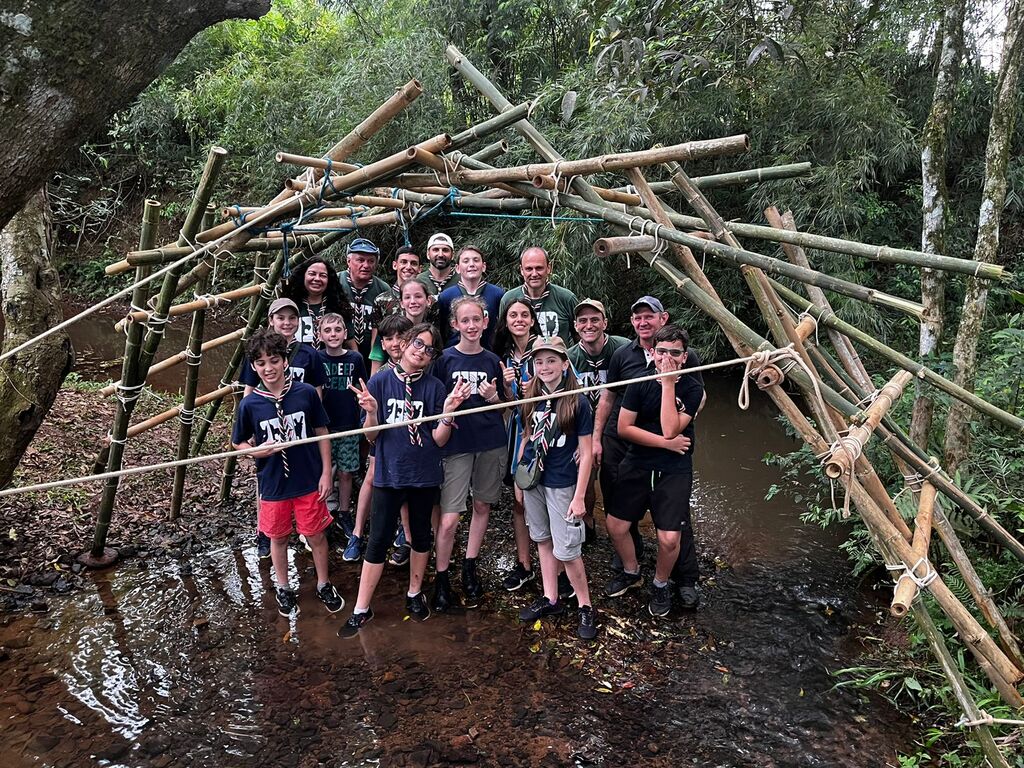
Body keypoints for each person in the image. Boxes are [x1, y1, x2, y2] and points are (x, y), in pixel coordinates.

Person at [340, 324, 471, 636]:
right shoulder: (380, 381)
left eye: (428, 349)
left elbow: (439, 440)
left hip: (424, 475)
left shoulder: (436, 388)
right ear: (404, 343)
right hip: (390, 473)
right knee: (379, 539)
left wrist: (449, 411)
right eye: (417, 343)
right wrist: (371, 413)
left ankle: (414, 592)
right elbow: (371, 437)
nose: (420, 351)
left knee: (421, 536)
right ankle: (361, 607)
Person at [592, 295, 704, 607]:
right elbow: (624, 424)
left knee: (672, 534)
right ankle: (631, 571)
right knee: (616, 523)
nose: (668, 357)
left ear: (684, 357)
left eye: (675, 353)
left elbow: (672, 427)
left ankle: (665, 582)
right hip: (637, 457)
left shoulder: (692, 383)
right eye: (662, 352)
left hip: (674, 466)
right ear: (653, 352)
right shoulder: (634, 372)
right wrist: (663, 442)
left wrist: (668, 385)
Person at [231, 328, 344, 617]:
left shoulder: (305, 393)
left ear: (284, 360)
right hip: (273, 484)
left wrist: (325, 474)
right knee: (277, 538)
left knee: (316, 534)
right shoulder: (250, 403)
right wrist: (257, 451)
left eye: (273, 360)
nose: (268, 368)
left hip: (308, 479)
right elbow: (238, 442)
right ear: (254, 367)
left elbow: (321, 432)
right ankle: (283, 587)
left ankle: (323, 583)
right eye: (261, 363)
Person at [515, 336, 597, 641]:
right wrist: (518, 479)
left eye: (551, 361)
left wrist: (579, 496)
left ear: (565, 363)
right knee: (542, 539)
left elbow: (587, 452)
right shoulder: (531, 398)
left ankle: (585, 605)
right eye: (539, 362)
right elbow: (525, 438)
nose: (545, 367)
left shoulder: (578, 401)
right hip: (534, 480)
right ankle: (551, 598)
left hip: (562, 483)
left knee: (567, 549)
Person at [431, 296, 508, 611]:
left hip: (490, 440)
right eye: (465, 321)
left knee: (482, 505)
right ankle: (441, 576)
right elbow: (437, 405)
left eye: (477, 319)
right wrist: (452, 402)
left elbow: (506, 404)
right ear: (455, 325)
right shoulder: (445, 360)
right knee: (449, 519)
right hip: (457, 444)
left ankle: (469, 565)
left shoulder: (492, 359)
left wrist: (494, 397)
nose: (472, 326)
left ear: (485, 321)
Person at [344, 314, 412, 562]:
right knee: (372, 476)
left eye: (401, 337)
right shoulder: (379, 376)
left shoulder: (421, 368)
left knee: (406, 482)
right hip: (383, 438)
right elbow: (369, 422)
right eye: (389, 339)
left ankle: (405, 530)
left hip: (410, 441)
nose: (396, 343)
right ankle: (358, 532)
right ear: (382, 344)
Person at [567, 299, 629, 541]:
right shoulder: (569, 358)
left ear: (605, 322)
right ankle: (588, 521)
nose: (589, 325)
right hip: (583, 426)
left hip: (617, 425)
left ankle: (624, 528)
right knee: (584, 472)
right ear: (575, 325)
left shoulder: (622, 349)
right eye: (583, 320)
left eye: (595, 319)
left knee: (620, 478)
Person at [493, 299, 539, 591]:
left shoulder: (546, 351)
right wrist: (508, 387)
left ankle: (557, 566)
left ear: (532, 320)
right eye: (513, 315)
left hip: (542, 433)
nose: (519, 319)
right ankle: (525, 564)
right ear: (506, 321)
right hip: (516, 432)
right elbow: (508, 406)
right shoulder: (503, 358)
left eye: (525, 314)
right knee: (519, 502)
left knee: (544, 501)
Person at [317, 313, 367, 541]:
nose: (333, 334)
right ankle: (324, 512)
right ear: (320, 335)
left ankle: (345, 512)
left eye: (337, 330)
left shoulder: (355, 359)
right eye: (328, 331)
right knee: (325, 470)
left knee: (347, 471)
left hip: (349, 422)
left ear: (345, 333)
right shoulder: (317, 359)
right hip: (325, 425)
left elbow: (362, 388)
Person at [239, 298, 326, 399]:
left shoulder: (310, 354)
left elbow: (317, 390)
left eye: (292, 318)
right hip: (267, 411)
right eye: (281, 318)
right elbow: (250, 388)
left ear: (298, 320)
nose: (287, 323)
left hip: (300, 410)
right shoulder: (258, 350)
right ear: (271, 320)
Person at [498, 247, 578, 340]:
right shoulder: (508, 299)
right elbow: (502, 338)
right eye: (529, 269)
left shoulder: (566, 298)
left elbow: (579, 336)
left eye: (539, 268)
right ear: (521, 270)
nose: (534, 274)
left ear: (549, 268)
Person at [437, 244, 505, 350]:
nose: (471, 264)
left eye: (476, 260)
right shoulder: (446, 296)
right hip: (454, 359)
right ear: (457, 268)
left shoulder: (497, 294)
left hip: (489, 355)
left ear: (483, 266)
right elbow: (443, 332)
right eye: (466, 261)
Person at [281, 257, 354, 349]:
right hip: (295, 362)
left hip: (330, 362)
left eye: (323, 275)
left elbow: (351, 343)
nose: (317, 279)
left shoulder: (339, 307)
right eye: (312, 274)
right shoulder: (290, 306)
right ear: (303, 276)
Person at [368, 278, 437, 373]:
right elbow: (376, 358)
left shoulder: (430, 331)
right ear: (401, 303)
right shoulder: (390, 326)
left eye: (418, 296)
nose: (413, 301)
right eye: (407, 297)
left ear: (428, 300)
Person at [339, 238, 391, 361]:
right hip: (339, 354)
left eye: (371, 261)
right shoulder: (336, 283)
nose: (366, 265)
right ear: (348, 261)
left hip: (373, 356)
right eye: (360, 260)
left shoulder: (383, 289)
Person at [369, 245, 423, 347]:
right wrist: (376, 362)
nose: (408, 267)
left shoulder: (428, 301)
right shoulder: (382, 300)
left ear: (420, 268)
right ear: (395, 265)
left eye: (413, 263)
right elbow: (377, 341)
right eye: (403, 262)